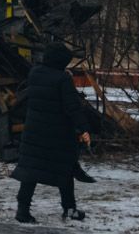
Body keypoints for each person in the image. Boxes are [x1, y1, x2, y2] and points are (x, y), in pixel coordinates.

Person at [11, 42, 91, 223]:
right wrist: (84, 128)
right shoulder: (62, 79)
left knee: (30, 172)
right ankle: (69, 209)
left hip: (34, 132)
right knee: (66, 169)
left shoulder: (35, 73)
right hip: (57, 134)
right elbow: (72, 108)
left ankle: (22, 211)